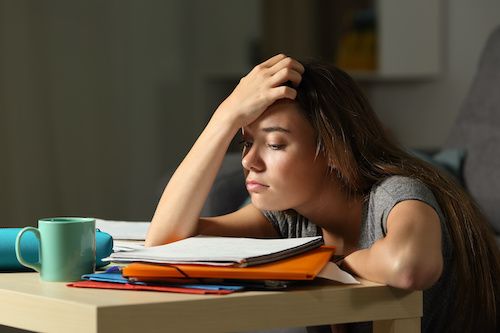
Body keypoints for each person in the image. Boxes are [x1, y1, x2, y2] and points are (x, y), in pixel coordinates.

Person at [145, 54, 499, 332]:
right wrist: (224, 117)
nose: (249, 161)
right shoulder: (289, 217)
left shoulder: (396, 196)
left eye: (275, 144)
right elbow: (166, 242)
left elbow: (408, 268)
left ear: (330, 150)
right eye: (246, 141)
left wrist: (333, 264)